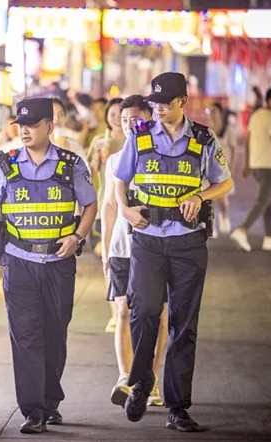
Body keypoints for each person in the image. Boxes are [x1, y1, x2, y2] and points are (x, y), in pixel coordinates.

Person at [0, 97, 97, 434]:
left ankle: (50, 399)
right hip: (19, 261)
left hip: (58, 263)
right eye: (20, 125)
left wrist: (78, 237)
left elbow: (90, 204)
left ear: (49, 127)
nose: (24, 131)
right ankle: (33, 410)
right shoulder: (8, 164)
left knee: (54, 333)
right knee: (25, 336)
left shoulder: (71, 165)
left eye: (32, 125)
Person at [113, 73, 233, 432]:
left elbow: (225, 181)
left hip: (187, 241)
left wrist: (200, 196)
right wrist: (124, 209)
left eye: (166, 103)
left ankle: (178, 407)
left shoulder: (203, 138)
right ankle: (141, 380)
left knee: (184, 325)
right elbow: (121, 178)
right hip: (148, 237)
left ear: (183, 101)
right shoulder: (139, 135)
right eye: (155, 103)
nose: (159, 109)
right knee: (144, 310)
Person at [100, 95, 168, 409]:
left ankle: (150, 381)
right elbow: (109, 205)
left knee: (158, 315)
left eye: (135, 120)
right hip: (121, 249)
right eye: (124, 119)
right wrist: (104, 251)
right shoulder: (114, 160)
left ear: (149, 120)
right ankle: (125, 377)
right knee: (124, 312)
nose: (128, 125)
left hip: (155, 248)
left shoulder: (159, 156)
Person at [230, 88, 271, 252]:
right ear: (269, 100)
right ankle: (242, 230)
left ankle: (269, 237)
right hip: (268, 165)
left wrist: (247, 163)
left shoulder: (256, 115)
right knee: (263, 200)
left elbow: (248, 141)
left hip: (257, 165)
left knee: (267, 200)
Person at [89, 98, 124, 332]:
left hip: (129, 207)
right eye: (112, 114)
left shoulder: (136, 141)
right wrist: (94, 159)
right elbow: (91, 175)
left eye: (120, 114)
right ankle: (114, 312)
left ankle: (126, 307)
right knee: (109, 259)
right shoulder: (100, 141)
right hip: (107, 204)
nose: (116, 117)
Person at [207, 103, 237, 237]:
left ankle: (224, 215)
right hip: (209, 170)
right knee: (209, 199)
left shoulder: (227, 129)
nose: (212, 113)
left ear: (220, 113)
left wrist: (232, 168)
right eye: (210, 111)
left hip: (224, 170)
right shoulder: (207, 130)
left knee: (223, 199)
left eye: (214, 111)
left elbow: (234, 149)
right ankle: (212, 225)